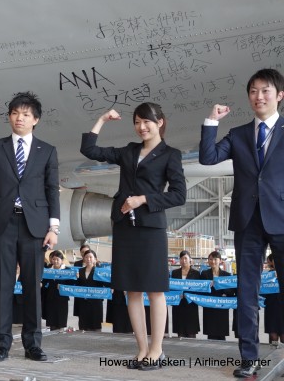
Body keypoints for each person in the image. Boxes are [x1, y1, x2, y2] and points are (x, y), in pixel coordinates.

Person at [80, 103, 186, 371]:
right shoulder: (128, 151)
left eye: (147, 121)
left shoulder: (170, 155)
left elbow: (178, 194)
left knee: (155, 289)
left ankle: (157, 350)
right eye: (137, 122)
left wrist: (144, 199)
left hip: (151, 228)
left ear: (160, 122)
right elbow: (89, 150)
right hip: (125, 226)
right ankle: (141, 349)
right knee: (132, 290)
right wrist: (102, 118)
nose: (141, 127)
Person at [199, 68, 284, 378]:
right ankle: (248, 358)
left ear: (279, 95)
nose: (258, 96)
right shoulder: (238, 134)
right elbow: (208, 158)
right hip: (247, 222)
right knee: (246, 292)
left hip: (282, 218)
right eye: (253, 91)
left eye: (265, 91)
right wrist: (212, 122)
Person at [0, 91, 60, 363]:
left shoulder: (47, 151)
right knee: (3, 286)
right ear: (9, 117)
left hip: (34, 226)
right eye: (15, 113)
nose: (20, 118)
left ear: (36, 120)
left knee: (32, 286)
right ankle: (2, 344)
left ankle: (33, 344)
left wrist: (53, 228)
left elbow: (51, 191)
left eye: (26, 114)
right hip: (2, 224)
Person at [199, 251, 235, 340]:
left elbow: (231, 292)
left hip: (221, 307)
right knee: (210, 334)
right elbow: (200, 291)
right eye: (210, 259)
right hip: (209, 307)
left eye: (215, 259)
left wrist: (221, 288)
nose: (213, 261)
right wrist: (208, 287)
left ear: (220, 261)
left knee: (221, 334)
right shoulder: (204, 274)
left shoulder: (226, 275)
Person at [171, 250, 200, 338]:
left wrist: (189, 295)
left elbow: (199, 288)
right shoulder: (174, 273)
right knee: (180, 332)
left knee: (191, 332)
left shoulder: (196, 273)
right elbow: (172, 287)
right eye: (181, 259)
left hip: (191, 305)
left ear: (190, 260)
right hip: (178, 305)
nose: (183, 261)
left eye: (185, 258)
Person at [42, 250, 72, 330]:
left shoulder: (67, 270)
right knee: (51, 320)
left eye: (57, 259)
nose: (55, 261)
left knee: (61, 320)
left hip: (62, 298)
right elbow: (44, 281)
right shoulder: (47, 269)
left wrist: (63, 286)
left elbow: (71, 283)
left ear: (61, 260)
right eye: (53, 259)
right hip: (50, 297)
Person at [75, 250, 104, 331]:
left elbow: (106, 284)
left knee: (95, 327)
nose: (88, 259)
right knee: (83, 326)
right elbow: (76, 286)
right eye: (86, 257)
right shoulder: (79, 271)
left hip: (95, 303)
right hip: (82, 303)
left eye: (91, 257)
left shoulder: (100, 272)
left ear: (95, 259)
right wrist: (75, 278)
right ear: (83, 259)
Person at [263, 254, 284, 347]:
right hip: (271, 308)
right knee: (273, 336)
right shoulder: (266, 275)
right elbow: (261, 290)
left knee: (283, 337)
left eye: (270, 261)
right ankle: (274, 353)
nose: (269, 263)